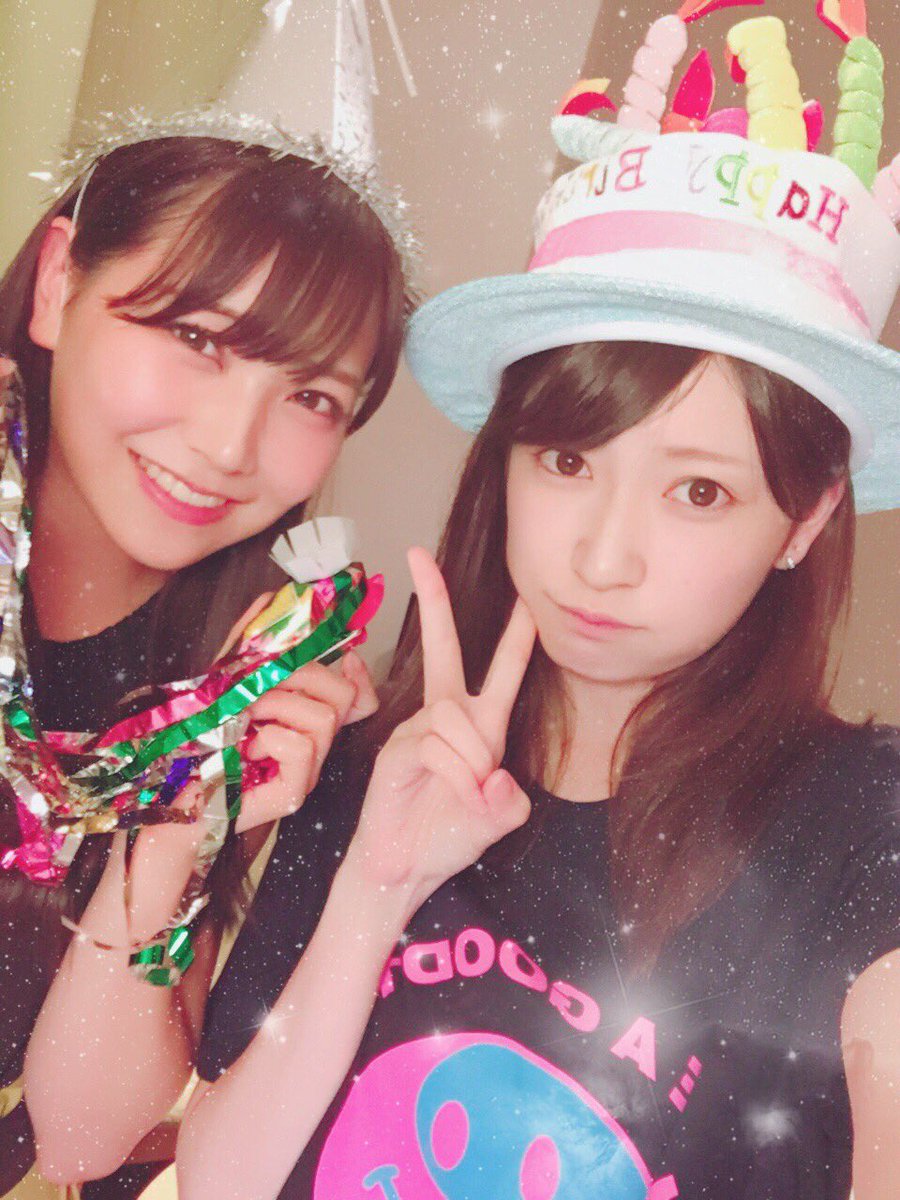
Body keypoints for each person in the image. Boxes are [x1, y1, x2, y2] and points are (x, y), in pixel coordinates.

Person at [181, 9, 899, 1200]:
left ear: (806, 520)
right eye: (568, 461)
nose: (604, 559)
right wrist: (376, 888)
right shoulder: (378, 766)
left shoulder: (863, 826)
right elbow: (220, 1183)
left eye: (700, 491)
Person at [0, 115, 413, 1195]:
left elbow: (80, 1138)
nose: (230, 446)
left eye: (311, 397)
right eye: (197, 336)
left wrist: (185, 810)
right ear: (57, 284)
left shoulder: (251, 679)